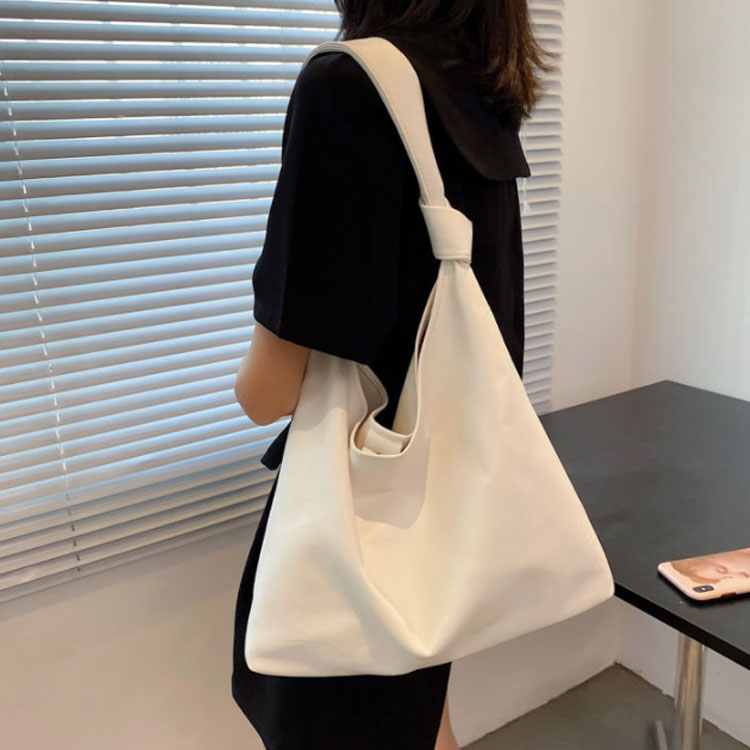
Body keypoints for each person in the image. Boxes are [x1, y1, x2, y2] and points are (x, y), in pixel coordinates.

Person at [232, 3, 556, 748]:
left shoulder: (349, 86)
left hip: (360, 521)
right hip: (438, 509)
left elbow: (267, 393)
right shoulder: (481, 89)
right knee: (419, 712)